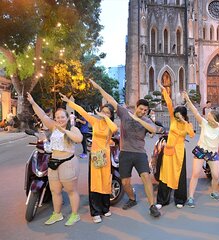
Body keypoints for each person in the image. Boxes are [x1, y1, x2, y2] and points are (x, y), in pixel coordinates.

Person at [89, 79, 161, 218]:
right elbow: (110, 98)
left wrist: (140, 119)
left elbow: (153, 130)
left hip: (139, 153)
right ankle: (132, 199)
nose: (143, 111)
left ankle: (152, 206)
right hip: (125, 153)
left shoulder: (146, 120)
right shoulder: (124, 113)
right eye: (141, 109)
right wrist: (98, 87)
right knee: (125, 182)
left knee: (146, 176)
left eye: (145, 110)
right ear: (136, 106)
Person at [60, 93, 118, 223]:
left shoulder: (110, 125)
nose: (104, 114)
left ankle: (105, 208)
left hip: (106, 156)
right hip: (96, 156)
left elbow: (114, 128)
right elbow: (81, 111)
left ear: (111, 115)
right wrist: (70, 103)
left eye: (108, 113)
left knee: (105, 182)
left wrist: (106, 118)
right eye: (103, 112)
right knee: (96, 183)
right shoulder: (95, 122)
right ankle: (95, 212)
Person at [26, 92, 83, 226]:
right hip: (53, 163)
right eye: (57, 117)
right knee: (55, 191)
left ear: (67, 118)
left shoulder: (73, 128)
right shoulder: (53, 126)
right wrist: (33, 103)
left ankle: (75, 215)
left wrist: (64, 131)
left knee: (71, 191)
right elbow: (42, 115)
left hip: (68, 162)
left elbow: (79, 139)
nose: (60, 119)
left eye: (62, 117)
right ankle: (57, 214)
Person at [183, 91, 219, 207]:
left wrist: (218, 124)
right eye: (208, 117)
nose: (208, 118)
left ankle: (214, 192)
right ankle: (191, 197)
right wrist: (188, 100)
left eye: (210, 117)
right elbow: (195, 113)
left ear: (216, 119)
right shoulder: (204, 123)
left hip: (213, 153)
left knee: (215, 176)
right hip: (201, 150)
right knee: (195, 174)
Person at [155, 80, 195, 210]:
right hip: (168, 150)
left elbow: (191, 134)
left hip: (179, 152)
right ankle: (162, 200)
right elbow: (169, 103)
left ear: (183, 115)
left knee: (179, 174)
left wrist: (183, 120)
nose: (176, 117)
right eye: (176, 115)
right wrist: (163, 89)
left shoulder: (187, 124)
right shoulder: (172, 120)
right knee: (164, 174)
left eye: (179, 115)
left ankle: (180, 199)